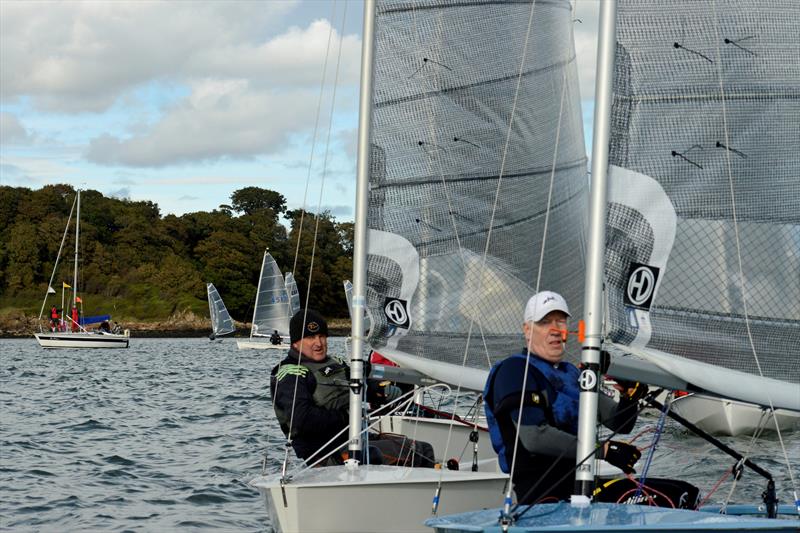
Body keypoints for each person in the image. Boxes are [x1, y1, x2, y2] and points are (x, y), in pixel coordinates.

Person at [484, 291, 647, 504]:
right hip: (542, 494)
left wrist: (630, 397)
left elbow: (619, 423)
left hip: (581, 484)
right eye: (544, 322)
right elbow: (534, 437)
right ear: (527, 330)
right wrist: (605, 450)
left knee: (681, 492)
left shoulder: (572, 373)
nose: (554, 330)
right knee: (673, 497)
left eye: (560, 321)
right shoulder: (514, 370)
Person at [271, 309, 433, 467]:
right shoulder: (290, 372)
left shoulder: (336, 362)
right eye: (311, 337)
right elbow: (301, 419)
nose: (318, 343)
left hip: (355, 438)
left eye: (322, 336)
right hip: (326, 452)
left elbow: (361, 385)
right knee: (412, 453)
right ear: (295, 343)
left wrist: (381, 391)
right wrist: (347, 416)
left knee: (423, 448)